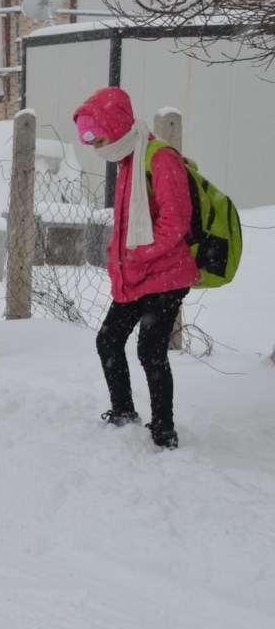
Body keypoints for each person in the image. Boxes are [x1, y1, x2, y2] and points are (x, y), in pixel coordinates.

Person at [76, 86, 198, 449]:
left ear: (115, 128)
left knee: (150, 350)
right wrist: (120, 257)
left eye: (98, 140)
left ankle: (164, 431)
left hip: (166, 274)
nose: (96, 149)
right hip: (136, 274)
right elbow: (129, 223)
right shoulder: (128, 160)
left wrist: (136, 254)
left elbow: (175, 222)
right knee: (109, 340)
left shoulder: (159, 159)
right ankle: (123, 412)